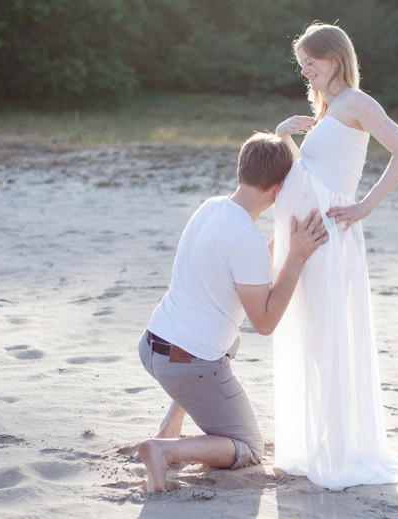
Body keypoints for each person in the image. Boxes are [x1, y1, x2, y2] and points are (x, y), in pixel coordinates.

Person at [271, 23, 398, 490]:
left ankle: (339, 447)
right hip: (308, 236)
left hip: (329, 234)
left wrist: (366, 205)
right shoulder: (327, 108)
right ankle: (317, 441)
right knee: (309, 332)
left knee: (326, 333)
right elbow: (310, 170)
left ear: (336, 59)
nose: (304, 71)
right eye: (301, 63)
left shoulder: (358, 103)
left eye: (312, 62)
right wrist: (285, 136)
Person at [137, 132, 329, 493]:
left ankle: (169, 428)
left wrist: (285, 246)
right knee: (249, 448)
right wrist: (297, 257)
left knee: (229, 340)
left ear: (243, 168)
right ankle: (164, 450)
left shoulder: (211, 207)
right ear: (279, 188)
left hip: (152, 345)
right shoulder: (247, 240)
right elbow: (266, 322)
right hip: (186, 364)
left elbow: (243, 264)